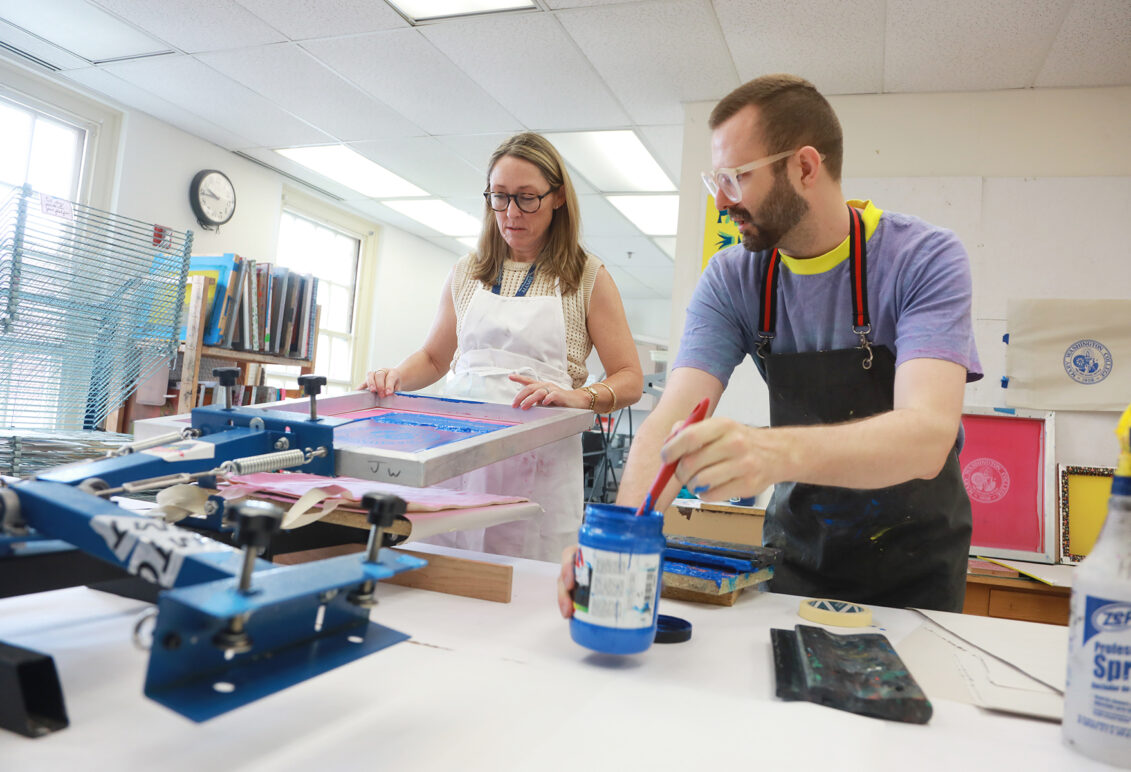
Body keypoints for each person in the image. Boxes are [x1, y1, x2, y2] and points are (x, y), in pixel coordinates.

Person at [558, 74, 981, 616]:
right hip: (799, 554)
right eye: (716, 180)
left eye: (737, 177)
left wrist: (769, 452)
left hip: (917, 568)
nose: (721, 201)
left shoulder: (922, 259)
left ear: (804, 167)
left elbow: (926, 437)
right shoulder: (732, 278)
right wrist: (618, 542)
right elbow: (669, 421)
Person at [364, 132, 642, 562]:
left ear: (558, 197)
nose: (511, 212)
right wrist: (397, 375)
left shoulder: (587, 277)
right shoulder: (467, 272)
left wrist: (581, 397)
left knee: (523, 580)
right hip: (458, 458)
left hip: (539, 468)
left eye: (527, 198)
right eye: (500, 197)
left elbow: (630, 379)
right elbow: (435, 358)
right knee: (443, 572)